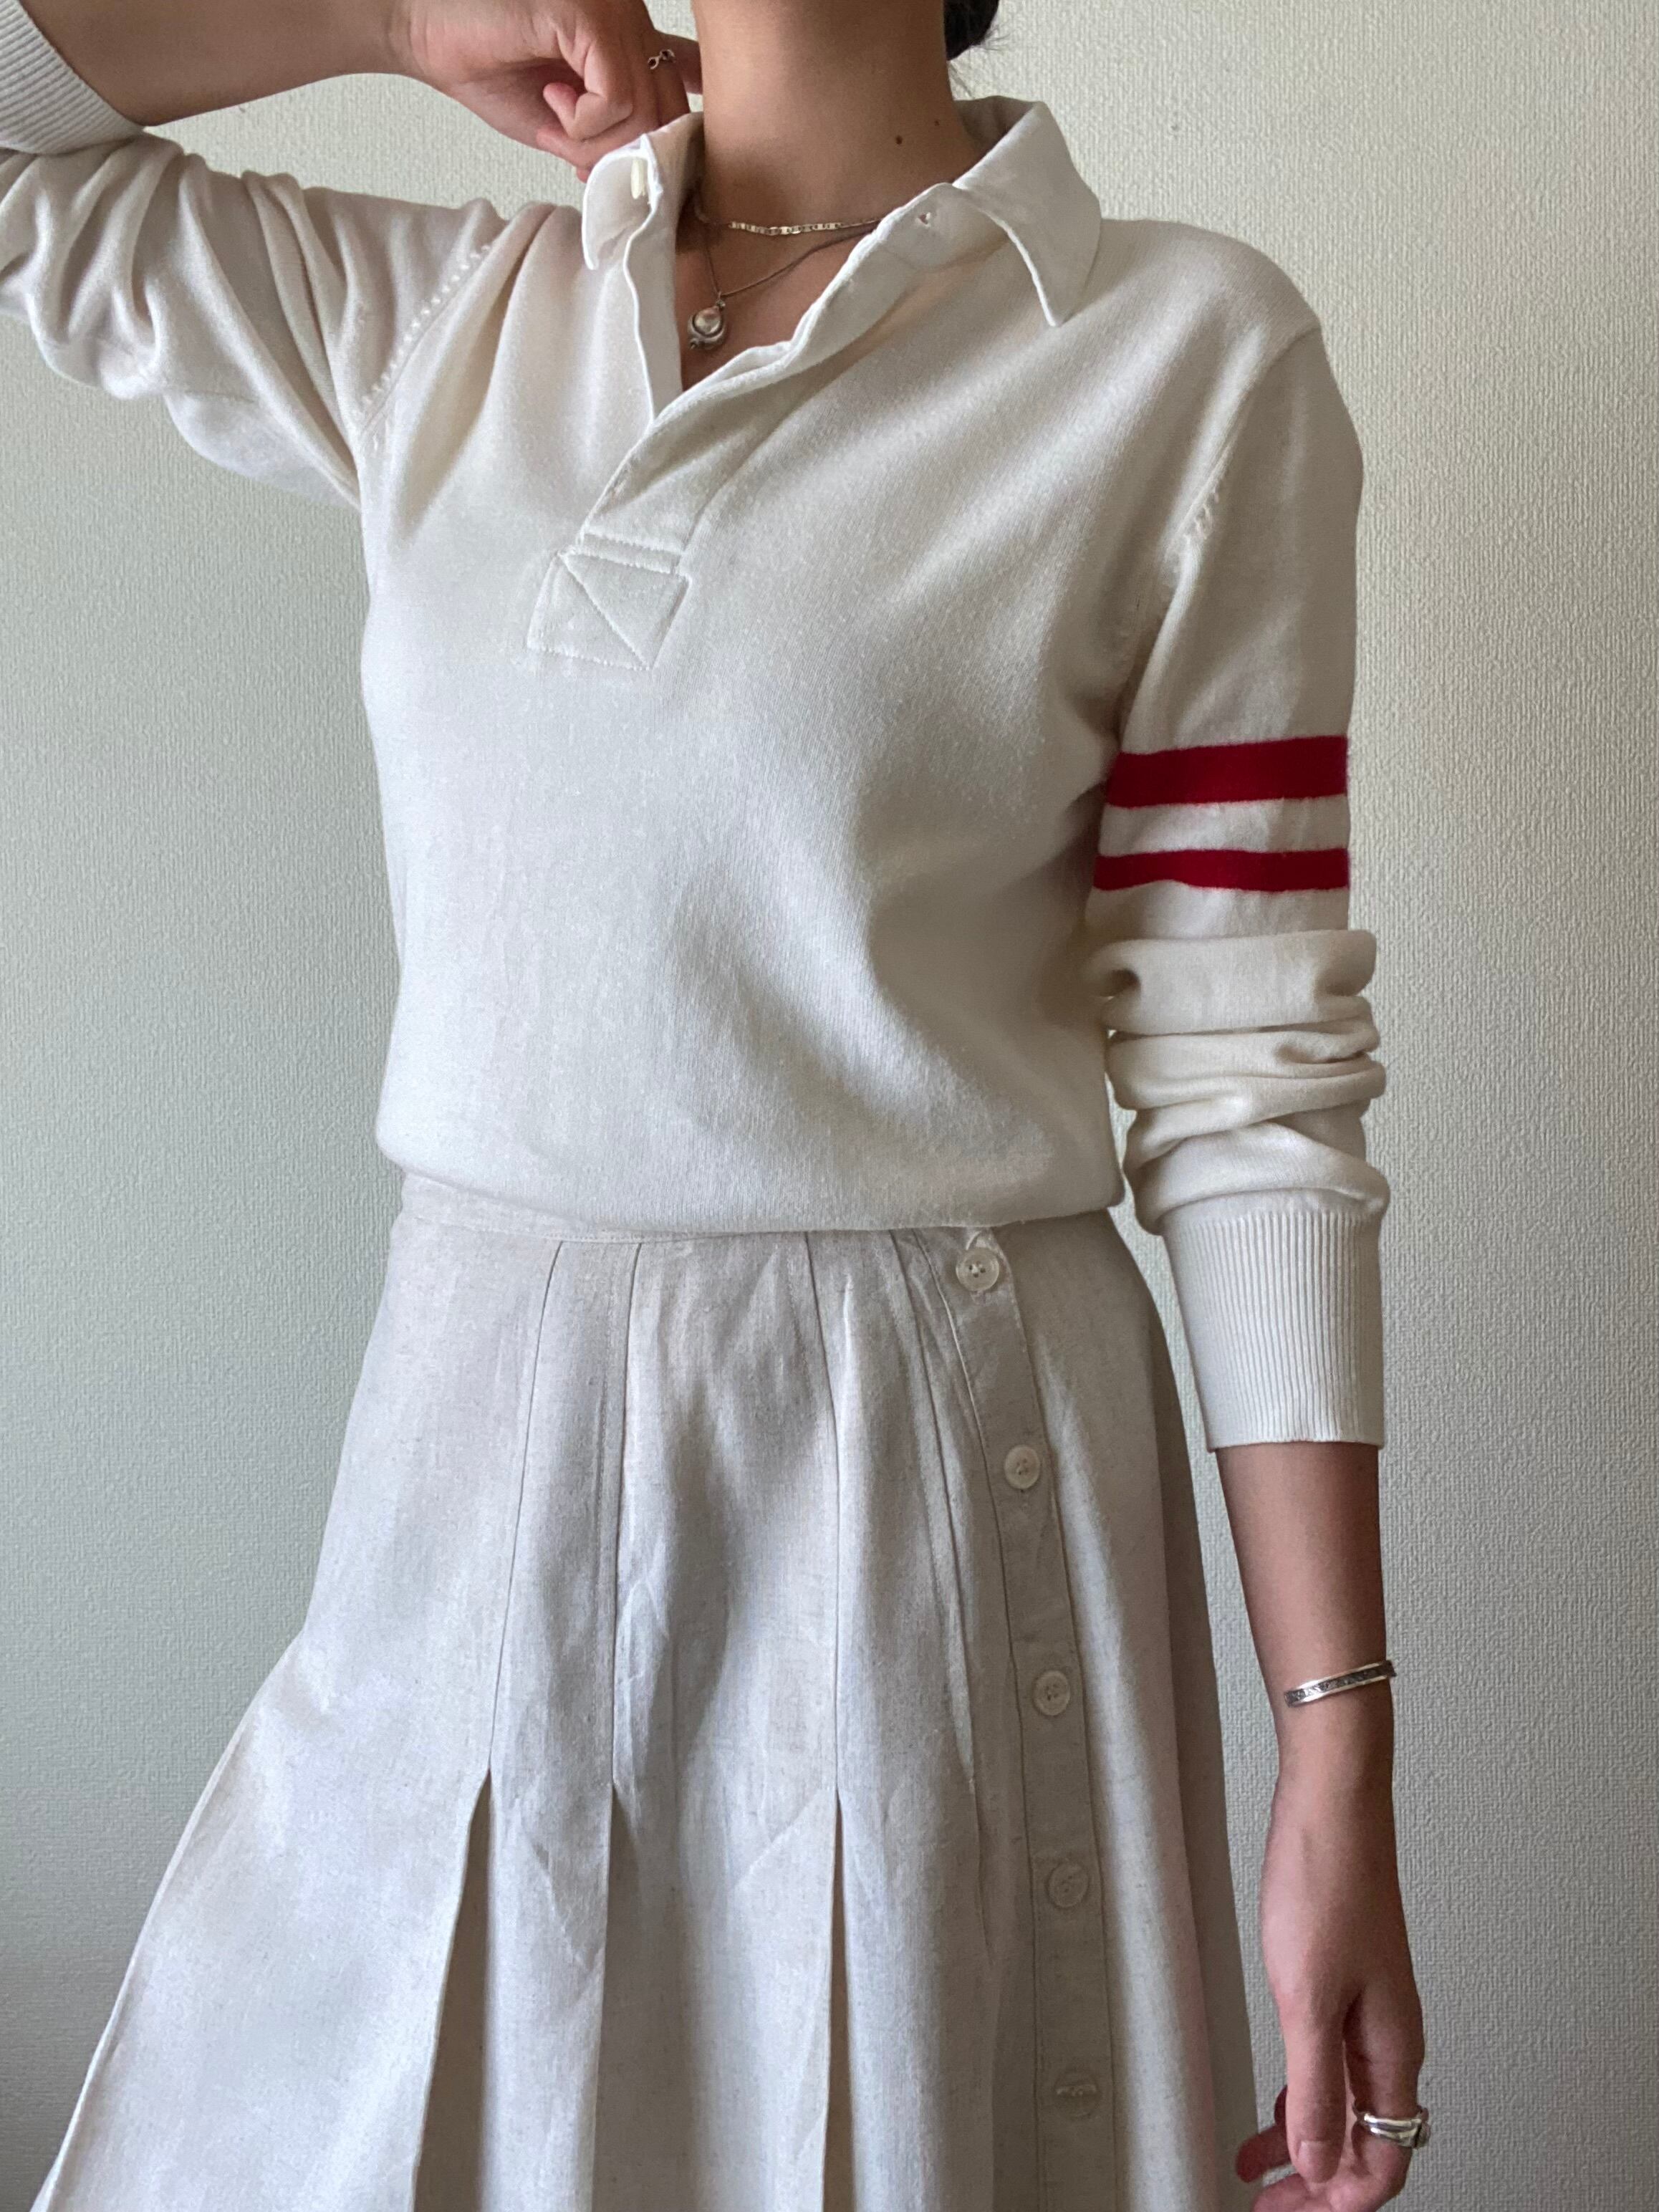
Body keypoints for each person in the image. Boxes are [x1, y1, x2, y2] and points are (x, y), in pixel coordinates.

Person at [1, 0, 1429, 2204]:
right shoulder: (445, 321)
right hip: (478, 1445)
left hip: (929, 1459)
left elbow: (1246, 1078)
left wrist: (1334, 1756)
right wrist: (390, 16)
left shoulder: (1174, 354)